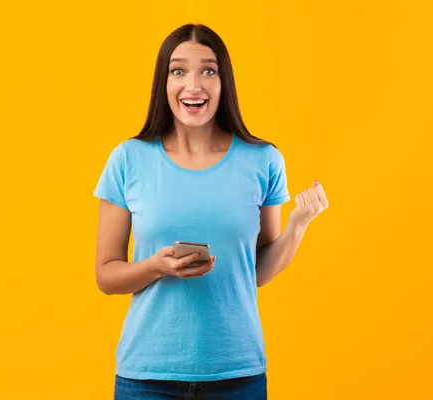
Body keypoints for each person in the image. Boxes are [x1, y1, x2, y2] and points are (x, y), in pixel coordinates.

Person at [93, 23, 329, 400]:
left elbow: (257, 272)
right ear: (163, 82)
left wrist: (297, 226)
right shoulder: (128, 159)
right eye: (178, 70)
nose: (193, 85)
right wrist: (157, 266)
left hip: (238, 374)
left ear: (224, 82)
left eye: (208, 70)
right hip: (147, 377)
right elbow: (106, 276)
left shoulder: (263, 160)